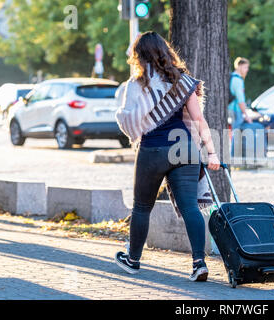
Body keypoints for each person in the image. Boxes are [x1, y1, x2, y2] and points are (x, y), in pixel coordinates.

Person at [113, 31, 220, 282]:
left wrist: (127, 115)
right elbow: (199, 119)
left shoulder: (136, 85)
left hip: (153, 149)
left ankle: (133, 260)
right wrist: (212, 151)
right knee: (190, 207)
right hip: (184, 148)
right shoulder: (182, 81)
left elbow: (127, 119)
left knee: (141, 206)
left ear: (140, 56)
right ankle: (199, 263)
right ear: (165, 51)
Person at [228, 57, 252, 156]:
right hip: (235, 110)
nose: (247, 70)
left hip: (231, 108)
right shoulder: (237, 80)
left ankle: (233, 154)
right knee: (236, 132)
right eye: (246, 67)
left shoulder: (232, 77)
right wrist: (246, 114)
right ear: (240, 66)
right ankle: (233, 155)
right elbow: (240, 100)